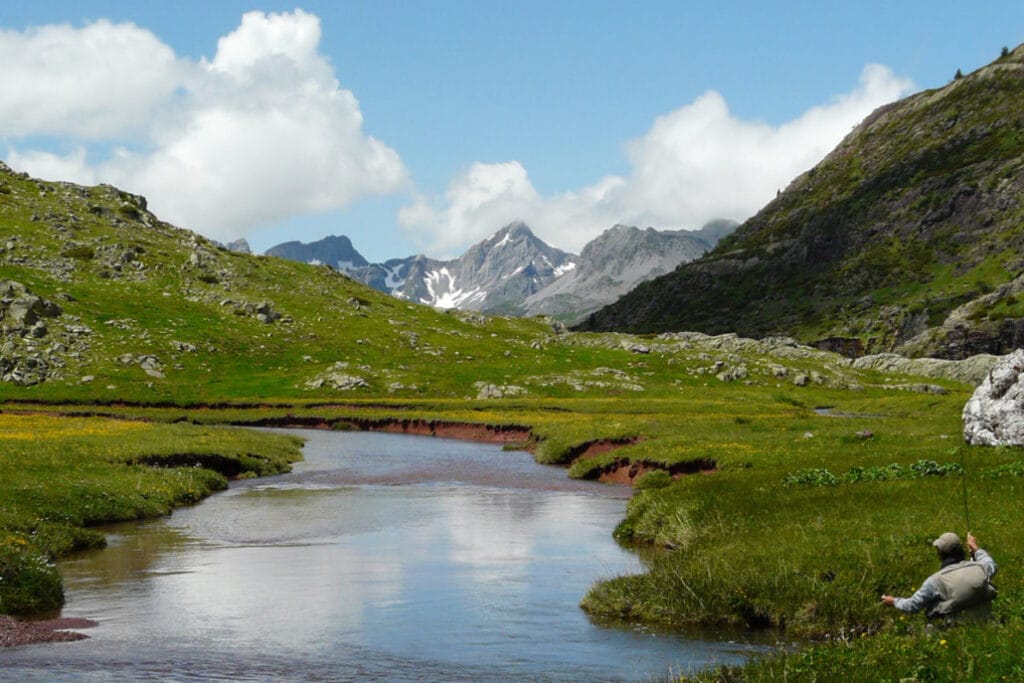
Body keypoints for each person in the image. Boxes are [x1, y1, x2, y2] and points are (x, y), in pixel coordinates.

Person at [881, 532, 997, 623]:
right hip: (985, 623)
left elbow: (913, 606)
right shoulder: (980, 568)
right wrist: (975, 548)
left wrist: (894, 601)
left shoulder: (935, 581)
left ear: (940, 554)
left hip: (954, 631)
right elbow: (990, 563)